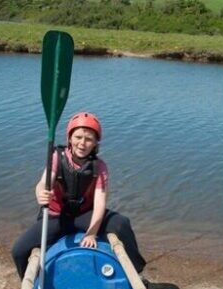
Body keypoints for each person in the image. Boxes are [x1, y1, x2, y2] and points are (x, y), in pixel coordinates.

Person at [11, 111, 146, 279]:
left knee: (121, 224)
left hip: (84, 215)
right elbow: (43, 182)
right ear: (69, 138)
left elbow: (100, 203)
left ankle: (135, 274)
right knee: (18, 250)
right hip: (56, 216)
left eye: (88, 139)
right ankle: (33, 285)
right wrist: (40, 193)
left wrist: (91, 232)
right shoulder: (56, 157)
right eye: (78, 137)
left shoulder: (99, 167)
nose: (82, 143)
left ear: (96, 143)